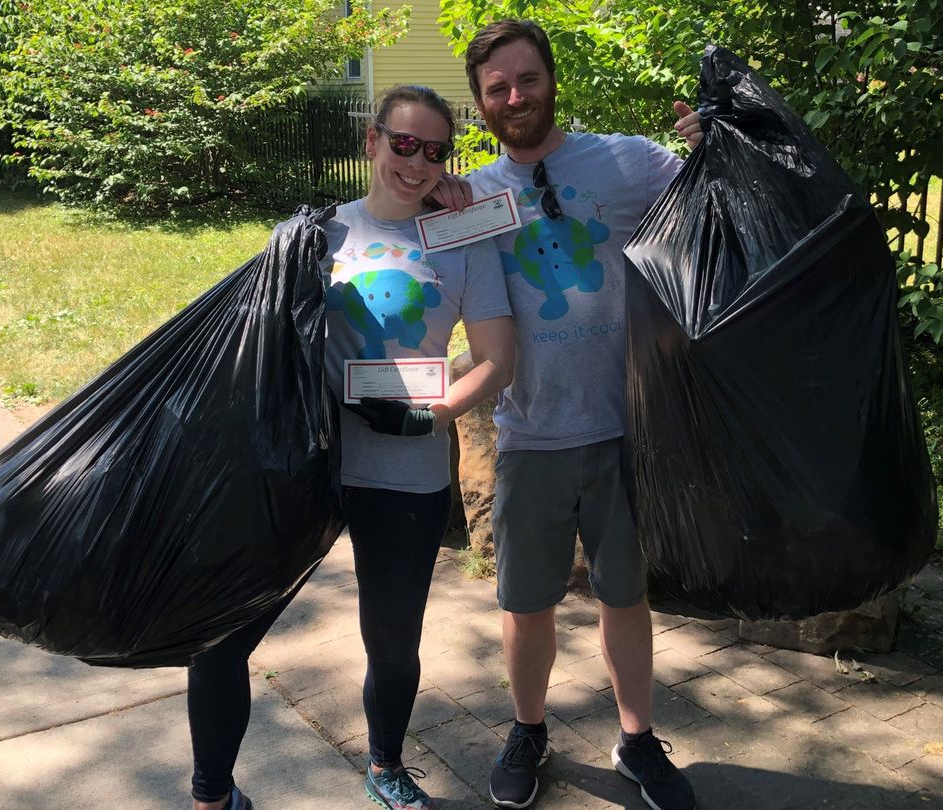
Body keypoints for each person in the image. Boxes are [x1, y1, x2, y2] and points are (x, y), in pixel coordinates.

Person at [184, 84, 514, 810]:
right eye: (404, 142)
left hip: (406, 471)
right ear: (371, 142)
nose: (418, 161)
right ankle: (212, 795)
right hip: (304, 469)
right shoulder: (314, 234)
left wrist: (436, 416)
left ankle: (386, 767)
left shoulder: (462, 238)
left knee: (392, 646)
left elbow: (496, 357)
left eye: (435, 150)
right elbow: (254, 348)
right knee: (224, 636)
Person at [432, 19, 703, 810]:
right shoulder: (476, 196)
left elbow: (713, 198)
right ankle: (529, 730)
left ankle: (638, 739)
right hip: (529, 433)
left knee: (626, 595)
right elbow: (416, 275)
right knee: (525, 602)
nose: (515, 97)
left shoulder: (626, 162)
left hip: (623, 428)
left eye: (526, 79)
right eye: (497, 89)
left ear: (551, 78)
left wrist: (711, 138)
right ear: (481, 105)